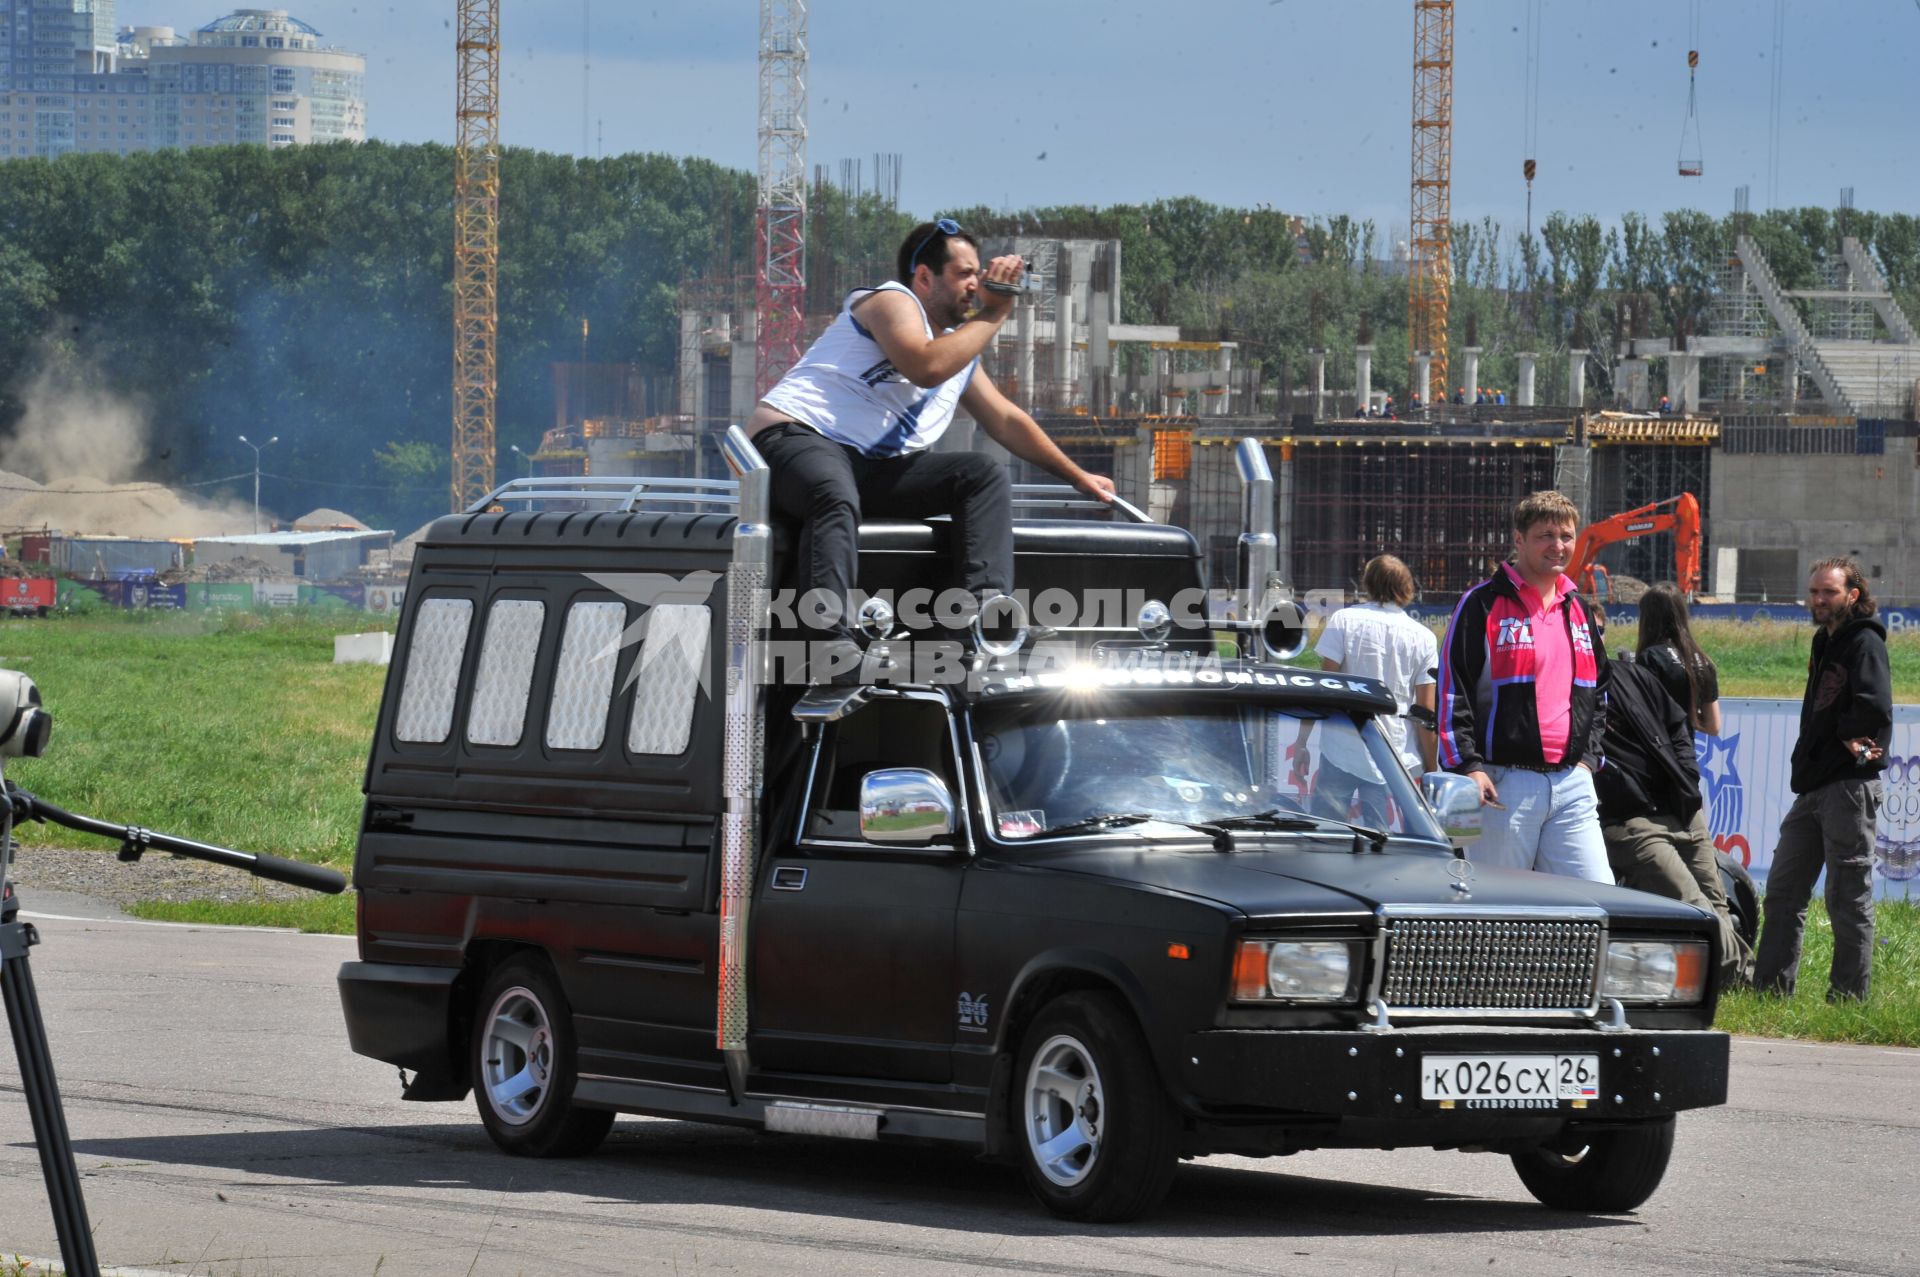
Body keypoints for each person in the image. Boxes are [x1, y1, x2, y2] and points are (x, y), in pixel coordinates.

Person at [746, 220, 1114, 682]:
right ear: (924, 277)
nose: (976, 285)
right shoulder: (890, 301)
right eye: (964, 274)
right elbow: (923, 366)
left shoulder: (956, 350)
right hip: (795, 440)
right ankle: (828, 647)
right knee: (832, 493)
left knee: (981, 474)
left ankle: (980, 621)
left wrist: (1078, 476)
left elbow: (1005, 420)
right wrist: (995, 312)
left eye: (979, 274)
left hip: (867, 467)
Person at [1438, 490, 1611, 881]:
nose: (1558, 546)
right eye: (1545, 536)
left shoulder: (1579, 609)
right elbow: (1453, 690)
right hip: (1502, 786)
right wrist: (1467, 766)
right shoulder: (1481, 603)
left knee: (1599, 899)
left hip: (1572, 785)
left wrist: (1589, 760)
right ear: (1519, 540)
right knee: (1495, 909)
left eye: (1566, 536)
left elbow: (1600, 691)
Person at [1752, 557, 1892, 1001]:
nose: (1818, 599)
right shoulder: (1822, 641)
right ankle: (1769, 992)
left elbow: (1875, 705)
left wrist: (1852, 736)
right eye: (1814, 592)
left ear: (1852, 595)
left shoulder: (1866, 642)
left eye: (1827, 592)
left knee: (1847, 899)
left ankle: (1848, 1000)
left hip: (1849, 787)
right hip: (1813, 786)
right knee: (1782, 892)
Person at [1594, 611, 1754, 985]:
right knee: (1695, 906)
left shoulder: (1633, 674)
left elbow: (1678, 725)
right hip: (1631, 822)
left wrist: (1688, 777)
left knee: (1717, 902)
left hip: (1681, 807)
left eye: (1598, 631)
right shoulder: (1563, 689)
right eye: (1586, 632)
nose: (1593, 638)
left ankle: (1734, 979)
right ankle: (1747, 978)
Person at [1295, 555, 1439, 828]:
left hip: (1341, 746)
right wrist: (1432, 769)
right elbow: (1425, 712)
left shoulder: (1343, 620)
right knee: (1382, 848)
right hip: (1391, 755)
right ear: (1407, 587)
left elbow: (1323, 689)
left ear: (1368, 583)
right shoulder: (1423, 637)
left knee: (1324, 839)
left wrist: (1302, 743)